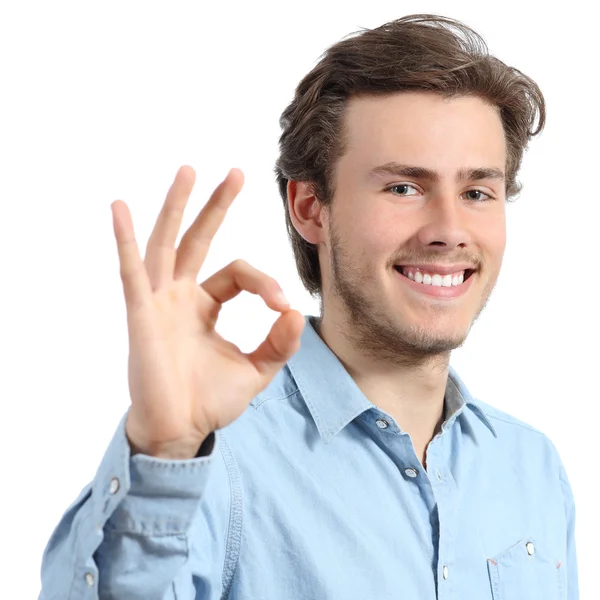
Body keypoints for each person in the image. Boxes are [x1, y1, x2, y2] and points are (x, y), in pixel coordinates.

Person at [38, 13, 578, 600]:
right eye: (404, 187)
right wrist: (162, 453)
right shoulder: (213, 462)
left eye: (477, 192)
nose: (449, 230)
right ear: (311, 208)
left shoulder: (533, 468)